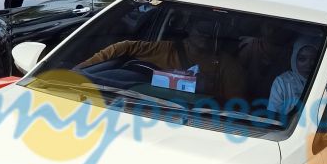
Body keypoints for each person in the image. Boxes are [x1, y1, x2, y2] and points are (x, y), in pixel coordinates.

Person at [79, 18, 247, 104]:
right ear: (189, 29)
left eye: (213, 31)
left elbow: (234, 107)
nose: (206, 34)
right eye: (202, 28)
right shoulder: (165, 49)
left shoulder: (228, 66)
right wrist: (80, 70)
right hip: (136, 105)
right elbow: (123, 47)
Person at [267, 38, 318, 121]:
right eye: (302, 59)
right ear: (294, 59)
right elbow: (272, 117)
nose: (308, 65)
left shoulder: (323, 80)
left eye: (314, 60)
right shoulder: (282, 82)